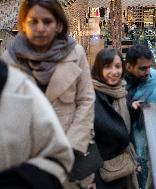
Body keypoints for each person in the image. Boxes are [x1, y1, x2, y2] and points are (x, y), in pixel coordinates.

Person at [1, 0, 95, 185]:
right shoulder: (9, 59)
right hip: (25, 161)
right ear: (23, 24)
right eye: (33, 21)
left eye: (47, 21)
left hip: (71, 154)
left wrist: (72, 146)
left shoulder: (75, 54)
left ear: (58, 24)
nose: (40, 28)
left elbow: (86, 99)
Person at [0, 60, 74, 188]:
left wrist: (75, 143)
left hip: (62, 133)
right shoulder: (12, 57)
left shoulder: (17, 84)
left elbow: (86, 100)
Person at [91, 48, 138, 189]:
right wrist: (89, 175)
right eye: (107, 67)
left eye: (117, 66)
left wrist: (132, 107)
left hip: (122, 167)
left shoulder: (121, 92)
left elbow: (120, 116)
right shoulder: (91, 97)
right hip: (103, 173)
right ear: (99, 69)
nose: (114, 72)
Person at [125, 44, 156, 189]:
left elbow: (153, 107)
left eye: (149, 67)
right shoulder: (117, 78)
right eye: (142, 68)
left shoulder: (153, 78)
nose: (148, 72)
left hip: (140, 131)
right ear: (129, 67)